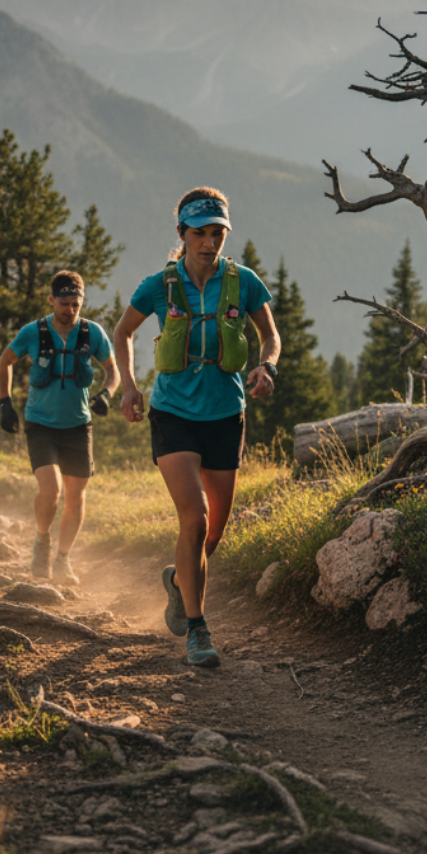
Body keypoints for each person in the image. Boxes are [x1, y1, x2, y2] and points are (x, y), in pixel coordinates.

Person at [113, 187, 279, 668]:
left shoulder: (243, 282)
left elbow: (270, 334)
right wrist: (128, 386)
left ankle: (180, 582)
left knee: (215, 532)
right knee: (196, 517)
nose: (209, 243)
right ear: (182, 234)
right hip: (173, 414)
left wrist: (267, 367)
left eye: (217, 233)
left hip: (226, 412)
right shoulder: (159, 287)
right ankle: (197, 629)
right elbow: (123, 331)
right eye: (199, 233)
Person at [0, 270, 120, 584]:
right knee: (51, 490)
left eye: (76, 303)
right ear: (51, 300)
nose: (70, 309)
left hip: (78, 425)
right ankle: (42, 540)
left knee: (76, 497)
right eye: (64, 303)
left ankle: (63, 560)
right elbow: (4, 361)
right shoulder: (33, 332)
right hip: (41, 424)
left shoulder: (92, 333)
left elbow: (112, 371)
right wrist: (5, 402)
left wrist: (107, 394)